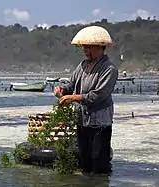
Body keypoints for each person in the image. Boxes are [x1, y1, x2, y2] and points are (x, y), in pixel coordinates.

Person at [54, 26, 118, 174]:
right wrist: (62, 90)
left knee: (99, 162)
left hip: (99, 122)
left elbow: (98, 95)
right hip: (82, 119)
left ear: (99, 48)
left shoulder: (109, 69)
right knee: (85, 160)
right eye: (84, 47)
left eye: (88, 47)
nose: (85, 50)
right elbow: (71, 84)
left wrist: (74, 97)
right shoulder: (83, 65)